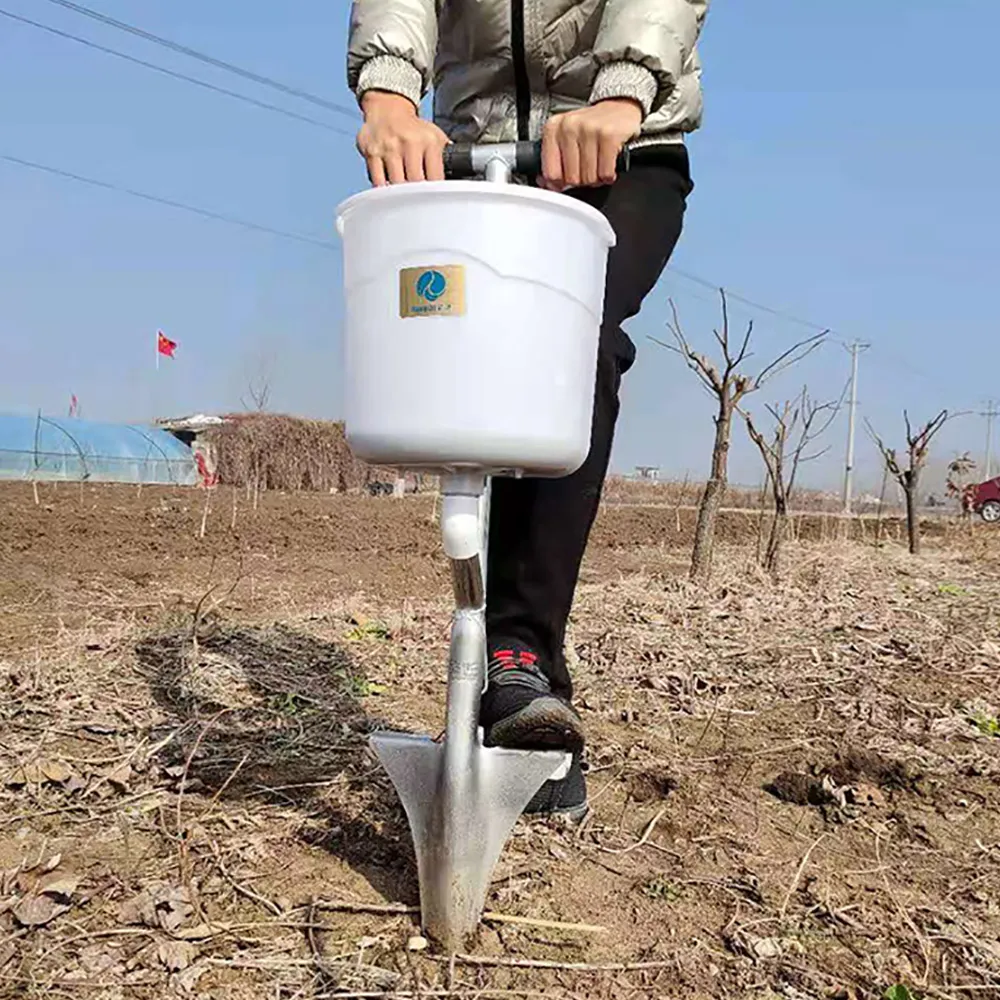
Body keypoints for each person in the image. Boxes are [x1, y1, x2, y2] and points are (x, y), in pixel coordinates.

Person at [347, 0, 709, 822]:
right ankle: (515, 686)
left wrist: (620, 95)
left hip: (620, 148)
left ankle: (517, 654)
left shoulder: (623, 114)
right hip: (469, 148)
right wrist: (390, 100)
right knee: (458, 364)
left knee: (574, 345)